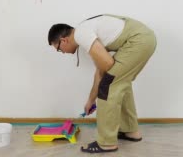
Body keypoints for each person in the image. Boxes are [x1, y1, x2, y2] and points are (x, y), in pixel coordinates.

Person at [48, 14, 157, 154]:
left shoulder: (82, 34)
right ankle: (131, 131)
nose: (62, 52)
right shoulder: (84, 32)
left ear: (64, 40)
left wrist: (96, 94)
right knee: (120, 82)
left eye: (58, 49)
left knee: (109, 86)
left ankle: (107, 143)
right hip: (144, 38)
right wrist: (90, 100)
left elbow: (107, 65)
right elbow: (100, 70)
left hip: (138, 40)